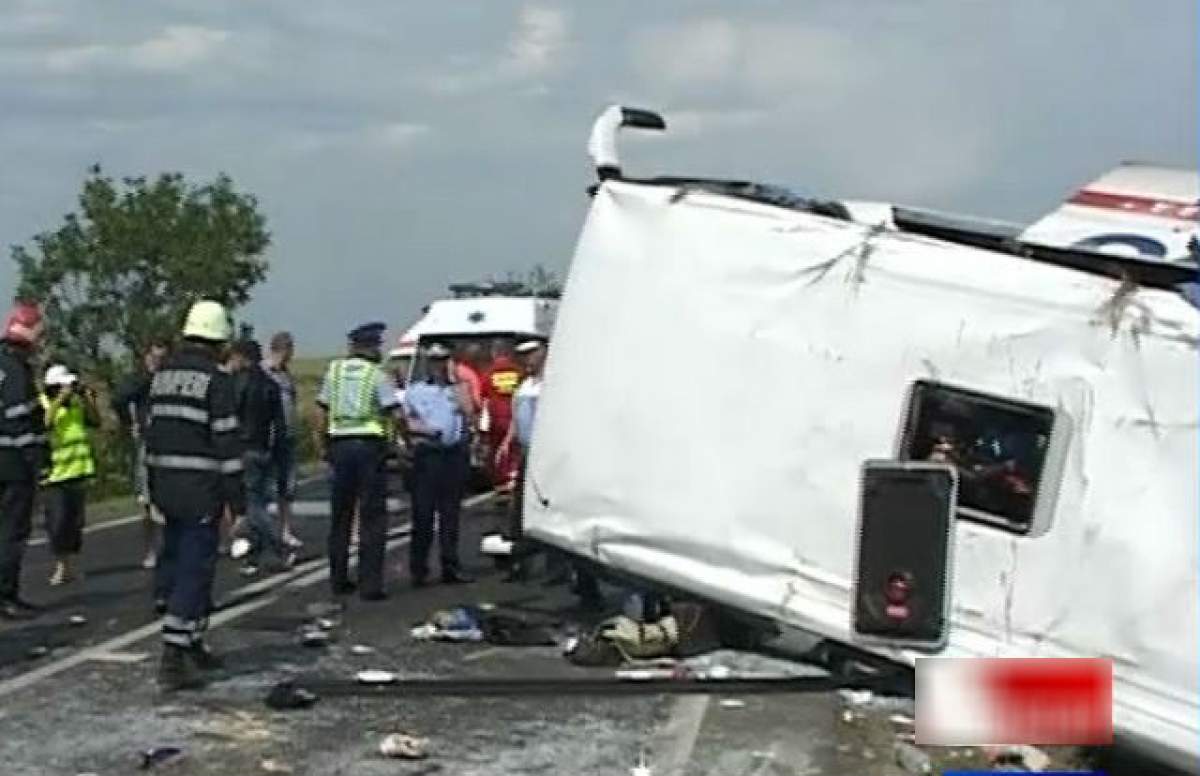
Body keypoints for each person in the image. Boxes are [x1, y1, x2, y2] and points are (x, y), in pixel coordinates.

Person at [146, 299, 245, 691]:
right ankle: (174, 655)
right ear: (218, 341)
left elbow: (151, 431)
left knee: (175, 559)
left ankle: (191, 644)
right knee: (194, 566)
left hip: (165, 484)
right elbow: (226, 442)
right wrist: (237, 502)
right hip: (200, 487)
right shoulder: (216, 381)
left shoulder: (163, 375)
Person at [315, 322, 403, 602]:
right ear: (373, 347)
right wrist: (404, 443)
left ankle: (338, 579)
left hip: (340, 446)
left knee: (340, 515)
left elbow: (321, 411)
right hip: (369, 448)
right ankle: (370, 584)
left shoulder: (334, 371)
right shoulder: (377, 375)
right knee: (372, 517)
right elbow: (394, 414)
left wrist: (321, 446)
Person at [404, 342, 476, 587]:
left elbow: (470, 415)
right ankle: (418, 569)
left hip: (453, 455)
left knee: (451, 515)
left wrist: (461, 394)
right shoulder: (415, 391)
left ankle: (450, 566)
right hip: (427, 455)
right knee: (423, 514)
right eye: (434, 360)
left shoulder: (458, 388)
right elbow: (406, 422)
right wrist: (424, 430)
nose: (439, 365)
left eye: (443, 360)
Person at [228, 338, 293, 577]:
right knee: (260, 502)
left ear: (243, 357)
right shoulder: (270, 384)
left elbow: (231, 416)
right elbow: (280, 424)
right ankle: (255, 554)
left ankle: (276, 547)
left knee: (253, 505)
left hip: (245, 448)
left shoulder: (239, 383)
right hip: (265, 448)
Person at [0, 301, 48, 620]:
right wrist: (37, 460)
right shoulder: (16, 369)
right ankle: (6, 595)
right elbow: (21, 419)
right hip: (12, 462)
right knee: (11, 532)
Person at [40, 364, 100, 587]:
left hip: (77, 471)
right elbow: (44, 423)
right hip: (54, 474)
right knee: (57, 522)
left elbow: (95, 421)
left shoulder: (76, 404)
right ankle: (61, 566)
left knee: (74, 523)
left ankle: (68, 566)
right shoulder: (45, 403)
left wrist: (88, 399)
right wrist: (58, 401)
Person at [112, 340, 169, 570]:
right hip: (147, 441)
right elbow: (119, 399)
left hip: (170, 442)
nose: (157, 363)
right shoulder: (138, 380)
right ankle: (151, 549)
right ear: (146, 356)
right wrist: (129, 424)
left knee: (169, 499)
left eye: (162, 359)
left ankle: (170, 546)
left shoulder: (171, 379)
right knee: (146, 501)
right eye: (154, 358)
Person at [264, 332, 303, 551]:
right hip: (269, 435)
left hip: (287, 435)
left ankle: (285, 530)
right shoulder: (264, 372)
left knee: (286, 486)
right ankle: (264, 531)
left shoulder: (286, 375)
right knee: (265, 486)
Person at [480, 339, 521, 493]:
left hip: (496, 417)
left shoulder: (490, 372)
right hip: (515, 416)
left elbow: (483, 396)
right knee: (515, 449)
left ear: (494, 353)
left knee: (497, 449)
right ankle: (514, 476)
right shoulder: (517, 371)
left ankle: (501, 480)